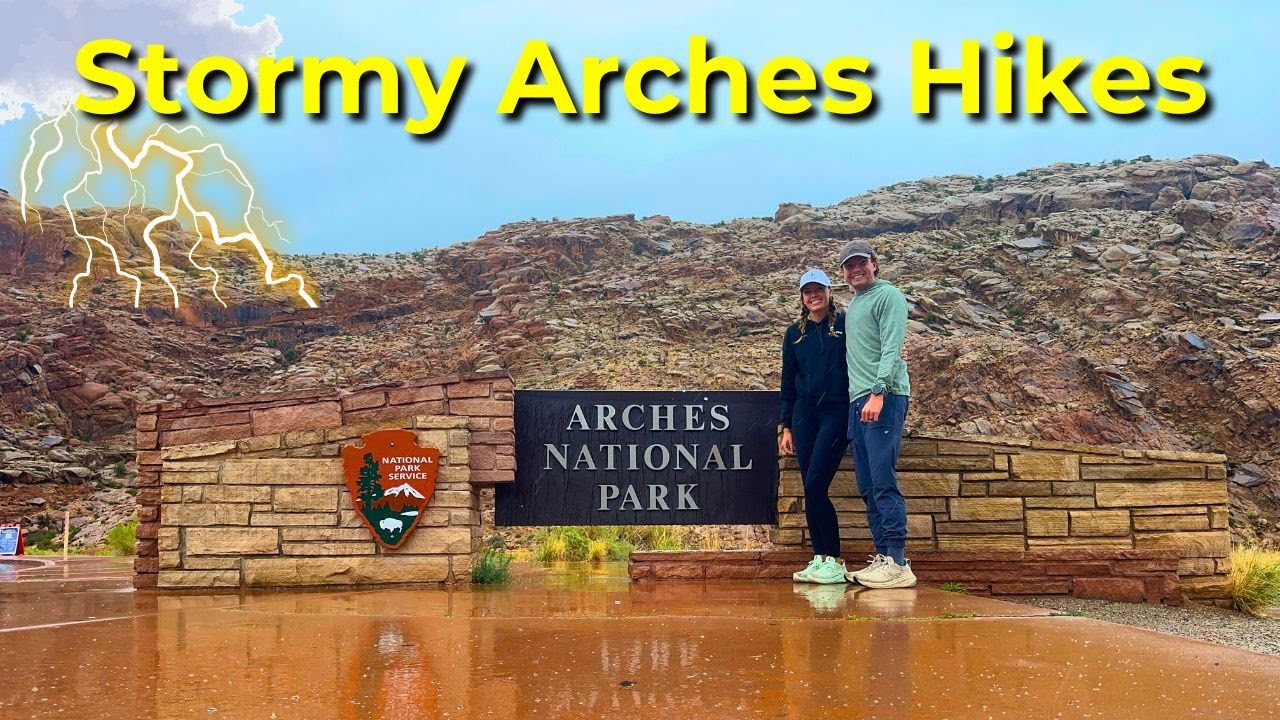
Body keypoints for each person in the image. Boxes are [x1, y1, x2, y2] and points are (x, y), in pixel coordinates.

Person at [838, 239, 916, 589]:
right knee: (868, 486)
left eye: (861, 263)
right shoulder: (855, 305)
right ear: (843, 272)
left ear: (874, 263)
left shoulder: (889, 296)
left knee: (884, 481)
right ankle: (883, 556)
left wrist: (879, 391)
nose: (856, 269)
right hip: (858, 402)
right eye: (849, 265)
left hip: (882, 397)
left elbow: (892, 347)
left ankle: (898, 563)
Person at [779, 268, 850, 585]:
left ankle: (835, 559)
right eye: (807, 291)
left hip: (837, 411)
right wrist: (786, 426)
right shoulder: (794, 333)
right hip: (804, 416)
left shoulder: (846, 325)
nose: (813, 295)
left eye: (818, 289)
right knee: (811, 486)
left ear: (829, 291)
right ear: (802, 297)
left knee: (815, 485)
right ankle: (820, 558)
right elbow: (787, 382)